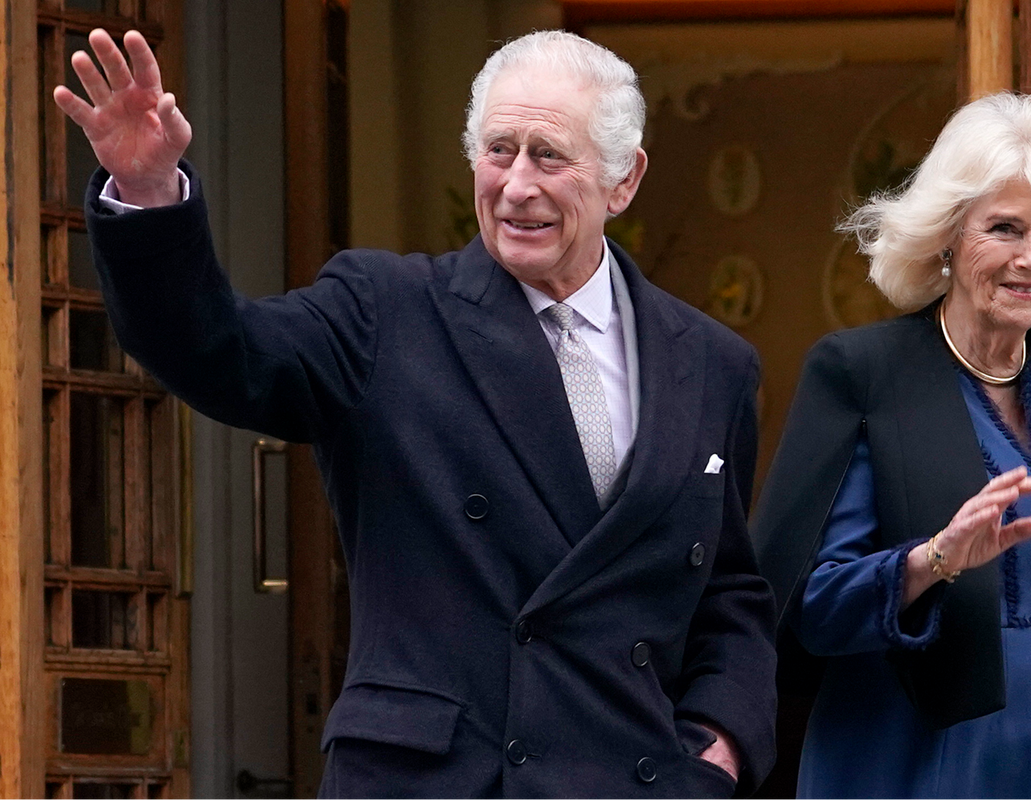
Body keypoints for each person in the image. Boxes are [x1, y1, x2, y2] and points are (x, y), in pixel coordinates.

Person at [55, 28, 777, 799]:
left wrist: (719, 745)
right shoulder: (385, 311)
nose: (518, 185)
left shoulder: (712, 363)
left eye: (550, 156)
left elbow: (728, 590)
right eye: (500, 150)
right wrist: (148, 195)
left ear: (623, 180)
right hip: (437, 778)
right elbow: (220, 351)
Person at [752, 93, 1031, 800]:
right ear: (947, 234)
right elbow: (806, 608)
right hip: (912, 761)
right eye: (1005, 228)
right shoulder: (863, 373)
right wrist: (931, 561)